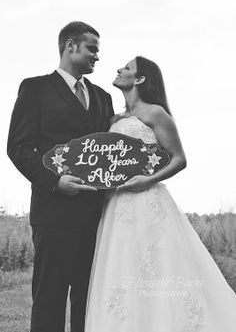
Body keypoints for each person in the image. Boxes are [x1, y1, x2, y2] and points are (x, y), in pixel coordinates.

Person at [85, 56, 236, 331]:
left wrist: (148, 179)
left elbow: (179, 158)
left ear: (140, 79)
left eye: (127, 68)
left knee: (158, 268)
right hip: (117, 206)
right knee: (121, 268)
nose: (119, 69)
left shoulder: (155, 113)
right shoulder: (114, 118)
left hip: (148, 202)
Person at [7, 21, 114, 332]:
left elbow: (111, 152)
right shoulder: (35, 88)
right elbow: (18, 147)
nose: (97, 56)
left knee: (89, 300)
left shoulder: (103, 96)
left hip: (96, 216)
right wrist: (54, 181)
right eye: (92, 48)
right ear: (70, 45)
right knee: (49, 299)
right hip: (53, 215)